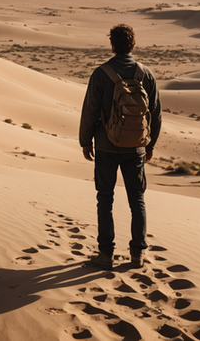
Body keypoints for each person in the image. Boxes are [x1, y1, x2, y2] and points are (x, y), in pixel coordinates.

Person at [79, 24, 162, 270]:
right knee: (137, 199)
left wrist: (85, 142)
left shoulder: (101, 74)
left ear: (112, 45)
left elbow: (90, 111)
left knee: (105, 199)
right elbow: (155, 113)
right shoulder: (146, 74)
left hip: (106, 148)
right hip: (135, 148)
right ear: (132, 45)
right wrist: (150, 143)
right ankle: (137, 255)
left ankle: (106, 255)